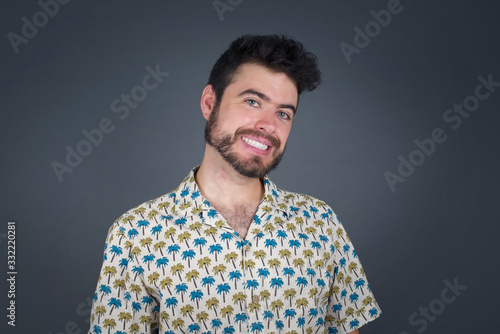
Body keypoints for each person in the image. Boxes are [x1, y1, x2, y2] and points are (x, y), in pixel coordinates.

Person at [88, 34, 381, 334]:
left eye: (283, 113)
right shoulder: (134, 235)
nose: (268, 125)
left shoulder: (322, 223)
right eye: (252, 101)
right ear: (209, 103)